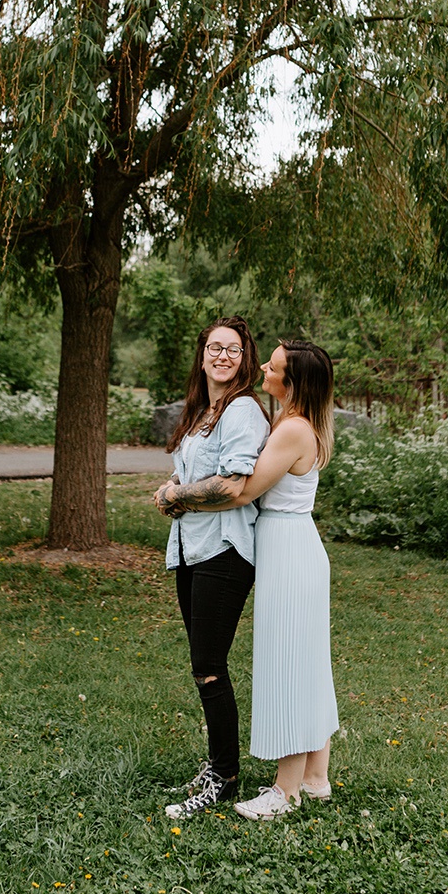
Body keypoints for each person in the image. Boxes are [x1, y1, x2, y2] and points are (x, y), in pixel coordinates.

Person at [155, 339, 338, 820]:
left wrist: (178, 494)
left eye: (273, 367)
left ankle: (286, 791)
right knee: (308, 661)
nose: (262, 368)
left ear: (292, 382)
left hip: (290, 550)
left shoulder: (293, 429)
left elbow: (241, 491)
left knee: (290, 664)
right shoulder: (292, 422)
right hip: (291, 544)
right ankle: (315, 777)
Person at [153, 317, 270, 820]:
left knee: (208, 666)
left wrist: (175, 495)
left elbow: (231, 486)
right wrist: (172, 489)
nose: (223, 356)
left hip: (223, 550)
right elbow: (195, 471)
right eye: (215, 347)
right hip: (192, 548)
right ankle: (218, 766)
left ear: (245, 359)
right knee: (204, 665)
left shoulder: (242, 410)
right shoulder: (204, 410)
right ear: (202, 354)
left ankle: (223, 777)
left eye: (234, 350)